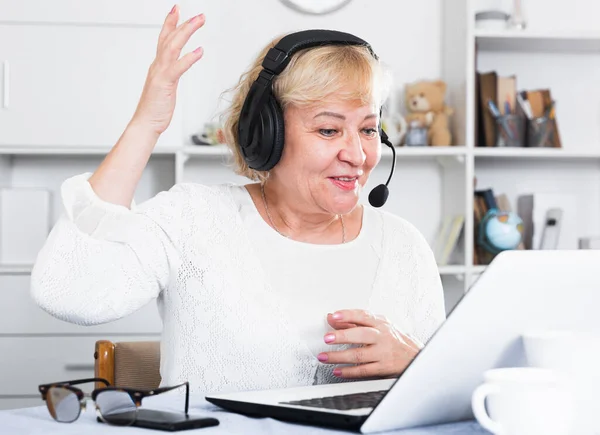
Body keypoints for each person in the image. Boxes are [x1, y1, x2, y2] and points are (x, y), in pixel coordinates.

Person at [30, 6, 446, 395]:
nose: (357, 155)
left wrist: (421, 364)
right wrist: (147, 125)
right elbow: (68, 291)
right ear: (266, 135)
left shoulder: (403, 246)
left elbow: (447, 400)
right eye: (328, 131)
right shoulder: (193, 219)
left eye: (369, 130)